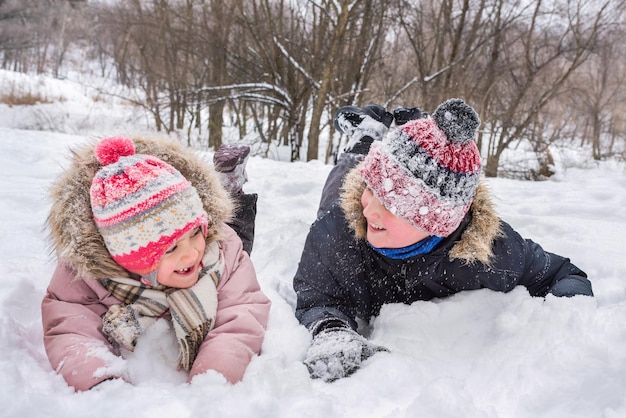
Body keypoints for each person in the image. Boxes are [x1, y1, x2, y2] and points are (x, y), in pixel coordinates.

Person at [294, 98, 593, 383]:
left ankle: (420, 136)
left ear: (436, 222)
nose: (370, 208)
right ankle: (366, 135)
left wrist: (563, 326)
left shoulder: (486, 252)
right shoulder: (337, 228)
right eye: (372, 190)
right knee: (346, 183)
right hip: (347, 212)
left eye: (392, 206)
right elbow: (319, 295)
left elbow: (562, 273)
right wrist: (331, 329)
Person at [42, 136, 271, 392]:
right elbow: (71, 328)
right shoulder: (86, 273)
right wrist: (100, 381)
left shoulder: (222, 251)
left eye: (195, 232)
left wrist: (214, 376)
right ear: (127, 257)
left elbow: (241, 315)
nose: (190, 254)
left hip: (213, 231)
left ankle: (230, 183)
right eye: (170, 247)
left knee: (235, 228)